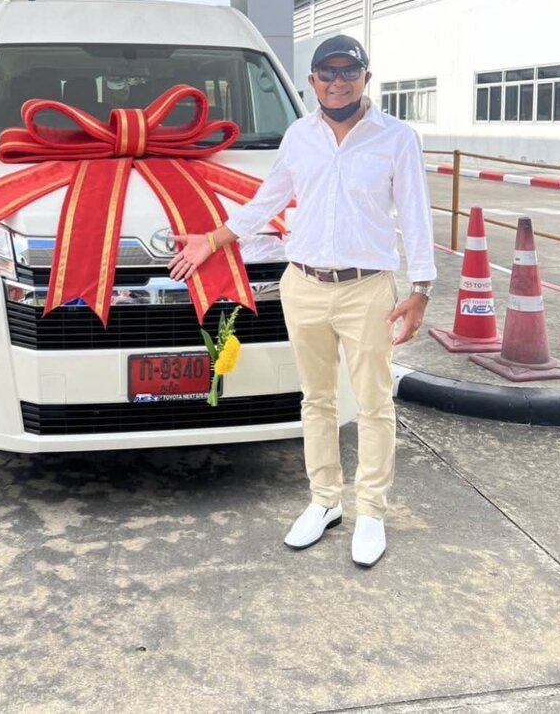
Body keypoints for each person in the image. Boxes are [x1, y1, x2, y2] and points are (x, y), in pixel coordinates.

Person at [168, 34, 436, 568]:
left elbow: (414, 211)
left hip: (367, 289)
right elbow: (267, 201)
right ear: (311, 81)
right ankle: (324, 502)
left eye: (348, 72)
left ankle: (372, 513)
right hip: (305, 286)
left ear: (366, 77)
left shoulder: (396, 138)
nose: (338, 82)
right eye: (327, 73)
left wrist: (421, 291)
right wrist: (216, 238)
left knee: (373, 403)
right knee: (316, 400)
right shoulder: (299, 135)